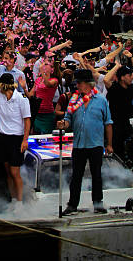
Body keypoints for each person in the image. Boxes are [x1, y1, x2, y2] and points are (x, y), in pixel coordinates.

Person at [57, 69, 113, 215]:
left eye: (80, 83)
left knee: (96, 174)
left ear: (88, 84)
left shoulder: (100, 100)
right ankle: (72, 204)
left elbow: (108, 123)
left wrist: (109, 144)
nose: (77, 86)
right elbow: (68, 118)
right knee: (76, 175)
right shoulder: (74, 99)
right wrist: (64, 123)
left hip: (95, 143)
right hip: (79, 144)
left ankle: (98, 203)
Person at [0, 72, 31, 206]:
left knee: (15, 172)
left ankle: (19, 202)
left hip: (16, 138)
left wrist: (25, 140)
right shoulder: (0, 94)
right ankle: (13, 199)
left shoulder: (22, 100)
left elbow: (27, 121)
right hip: (2, 137)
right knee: (8, 171)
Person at [106, 65, 133, 160]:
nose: (131, 77)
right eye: (129, 75)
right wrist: (117, 66)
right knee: (118, 153)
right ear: (122, 77)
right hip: (115, 126)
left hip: (127, 125)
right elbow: (106, 80)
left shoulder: (130, 88)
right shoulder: (114, 88)